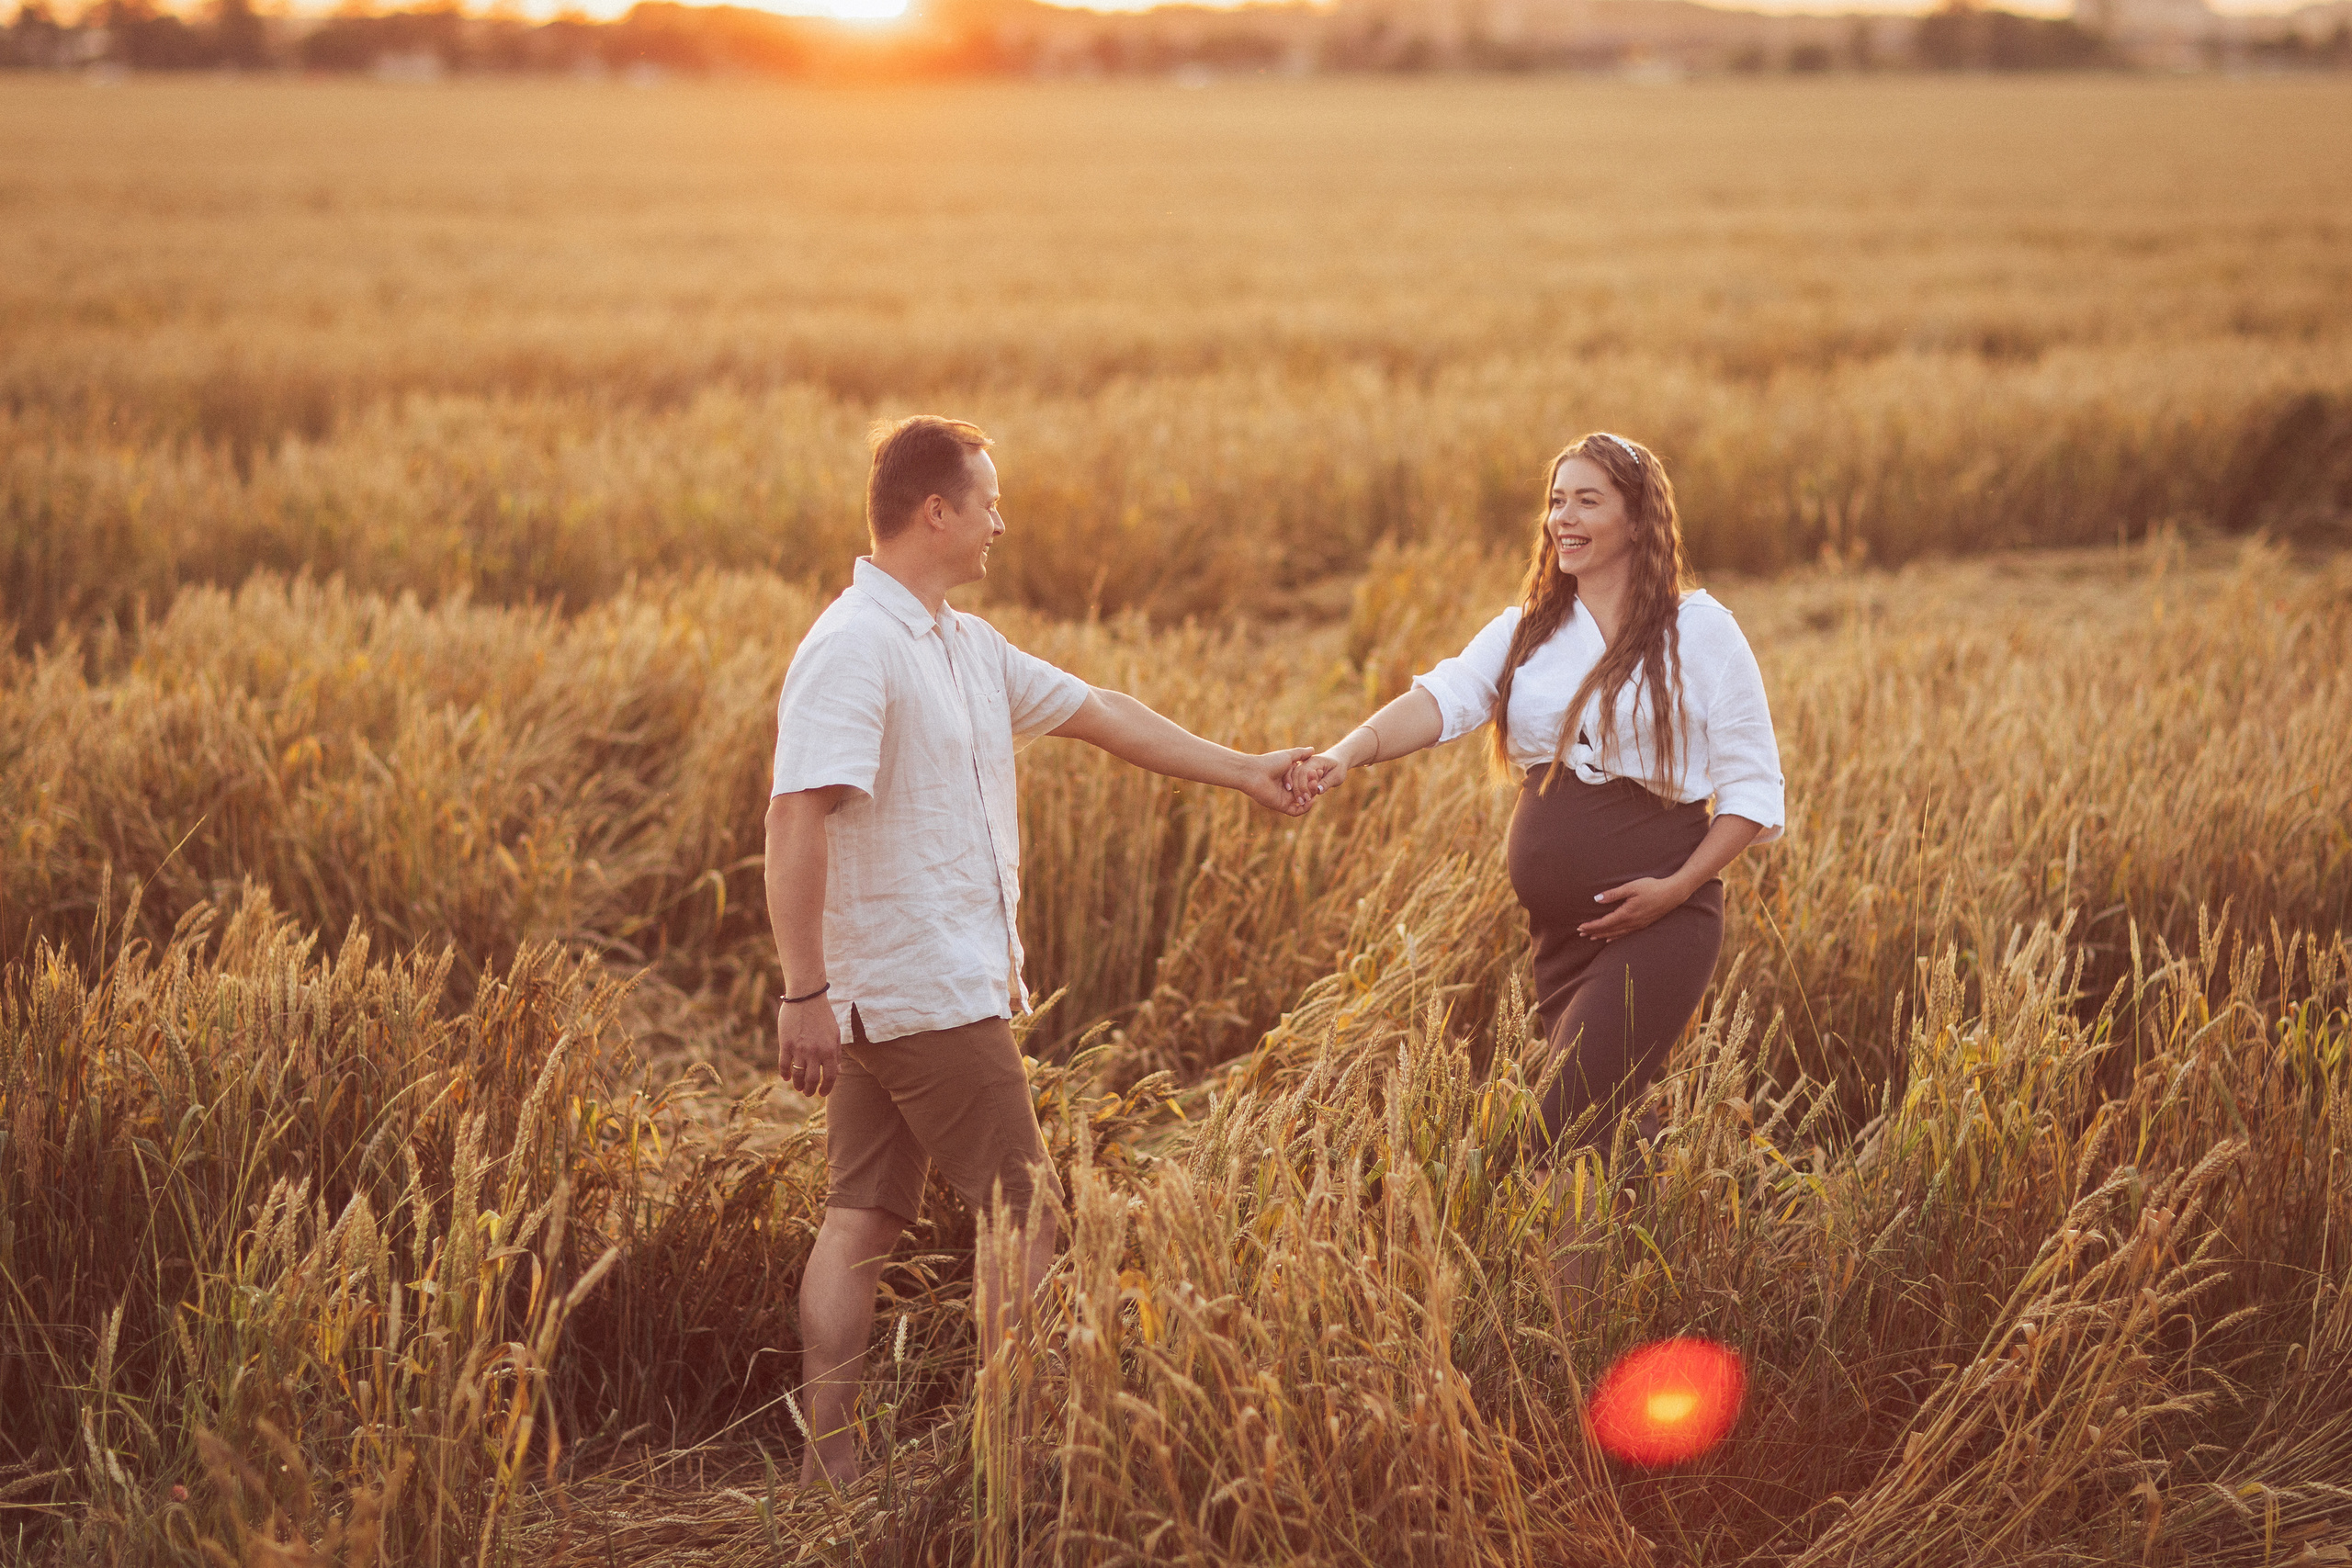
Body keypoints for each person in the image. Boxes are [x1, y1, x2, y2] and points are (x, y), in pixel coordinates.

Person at [767, 415, 1315, 1487]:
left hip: (906, 988)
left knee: (862, 1216)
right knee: (1028, 1222)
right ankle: (1012, 1466)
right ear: (937, 511)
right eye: (989, 501)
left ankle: (830, 1473)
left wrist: (1245, 767)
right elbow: (794, 819)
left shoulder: (962, 644)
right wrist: (803, 994)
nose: (1000, 523)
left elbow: (1102, 712)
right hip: (921, 988)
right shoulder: (853, 647)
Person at [1294, 432, 1784, 1182]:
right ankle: (1648, 1285)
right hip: (1561, 938)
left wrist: (1677, 889)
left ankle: (1572, 1300)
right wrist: (1343, 753)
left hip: (1661, 923)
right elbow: (1443, 698)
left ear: (1639, 518)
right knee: (1610, 1136)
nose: (1564, 517)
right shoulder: (1528, 627)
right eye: (1557, 500)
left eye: (1588, 500)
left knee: (1560, 1124)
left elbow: (1753, 790)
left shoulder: (1701, 631)